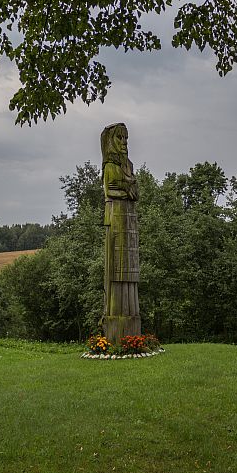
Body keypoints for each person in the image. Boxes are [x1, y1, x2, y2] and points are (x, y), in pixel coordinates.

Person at [100, 123, 141, 343]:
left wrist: (128, 188)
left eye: (126, 139)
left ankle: (133, 326)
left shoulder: (128, 165)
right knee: (116, 268)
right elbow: (111, 190)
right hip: (115, 219)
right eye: (120, 139)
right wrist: (128, 188)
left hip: (129, 221)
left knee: (130, 266)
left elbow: (135, 193)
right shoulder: (110, 165)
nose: (124, 143)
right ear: (110, 142)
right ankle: (115, 326)